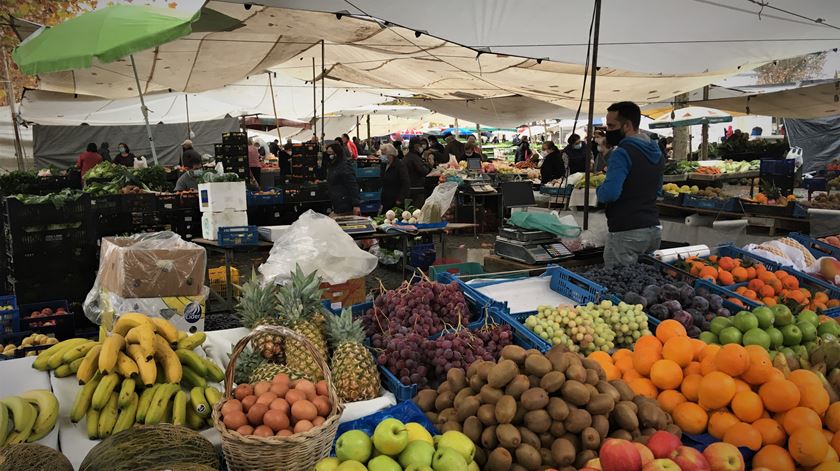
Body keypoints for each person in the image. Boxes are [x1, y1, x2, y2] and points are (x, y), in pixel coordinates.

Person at [596, 101, 664, 267]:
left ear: (626, 126)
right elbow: (658, 190)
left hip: (626, 232)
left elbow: (610, 194)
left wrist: (599, 189)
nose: (608, 130)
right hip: (653, 230)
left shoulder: (622, 153)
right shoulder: (657, 152)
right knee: (644, 286)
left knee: (617, 284)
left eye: (611, 126)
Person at [324, 142, 360, 216]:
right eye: (328, 152)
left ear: (337, 153)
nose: (329, 155)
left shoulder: (344, 166)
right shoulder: (332, 165)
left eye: (331, 152)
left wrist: (356, 205)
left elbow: (352, 185)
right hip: (337, 203)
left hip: (345, 204)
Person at [379, 143, 410, 212]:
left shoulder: (400, 165)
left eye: (383, 154)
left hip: (396, 200)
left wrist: (400, 199)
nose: (381, 156)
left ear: (390, 155)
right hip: (385, 199)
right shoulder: (384, 165)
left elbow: (406, 183)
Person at [405, 136, 432, 207]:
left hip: (410, 188)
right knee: (417, 210)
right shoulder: (414, 158)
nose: (421, 147)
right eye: (420, 145)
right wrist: (429, 165)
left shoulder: (407, 156)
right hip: (416, 189)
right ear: (416, 146)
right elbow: (424, 171)